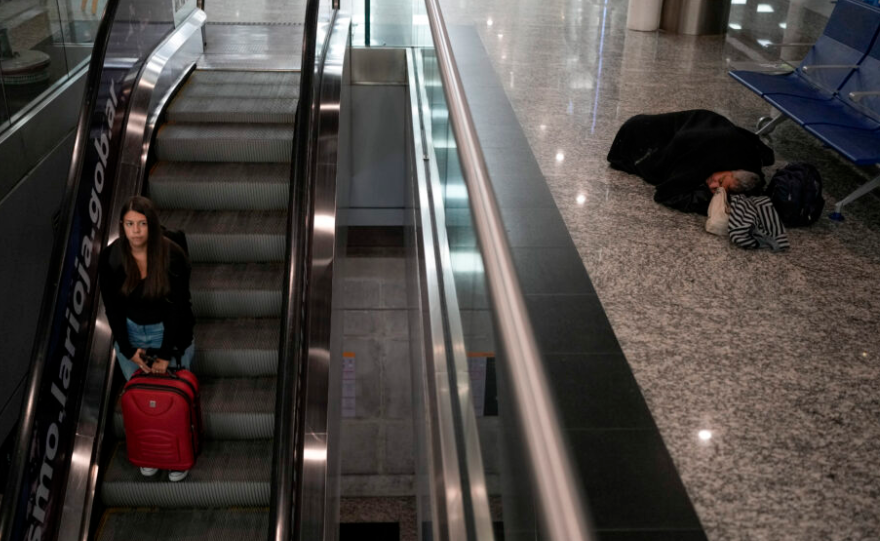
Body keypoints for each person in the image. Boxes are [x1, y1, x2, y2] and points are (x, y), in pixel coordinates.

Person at [99, 195, 195, 482]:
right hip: (131, 334)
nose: (136, 231)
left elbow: (179, 307)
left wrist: (166, 354)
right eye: (129, 224)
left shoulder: (172, 254)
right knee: (145, 401)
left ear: (152, 226)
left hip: (169, 333)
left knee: (174, 401)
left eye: (142, 224)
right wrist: (129, 351)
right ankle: (152, 453)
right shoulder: (112, 256)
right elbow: (111, 307)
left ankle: (179, 455)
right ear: (122, 226)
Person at [607, 110, 774, 214]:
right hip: (638, 135)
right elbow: (666, 194)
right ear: (731, 169)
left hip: (699, 130)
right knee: (651, 164)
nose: (712, 185)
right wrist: (709, 200)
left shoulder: (749, 166)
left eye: (718, 189)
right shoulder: (705, 156)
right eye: (720, 180)